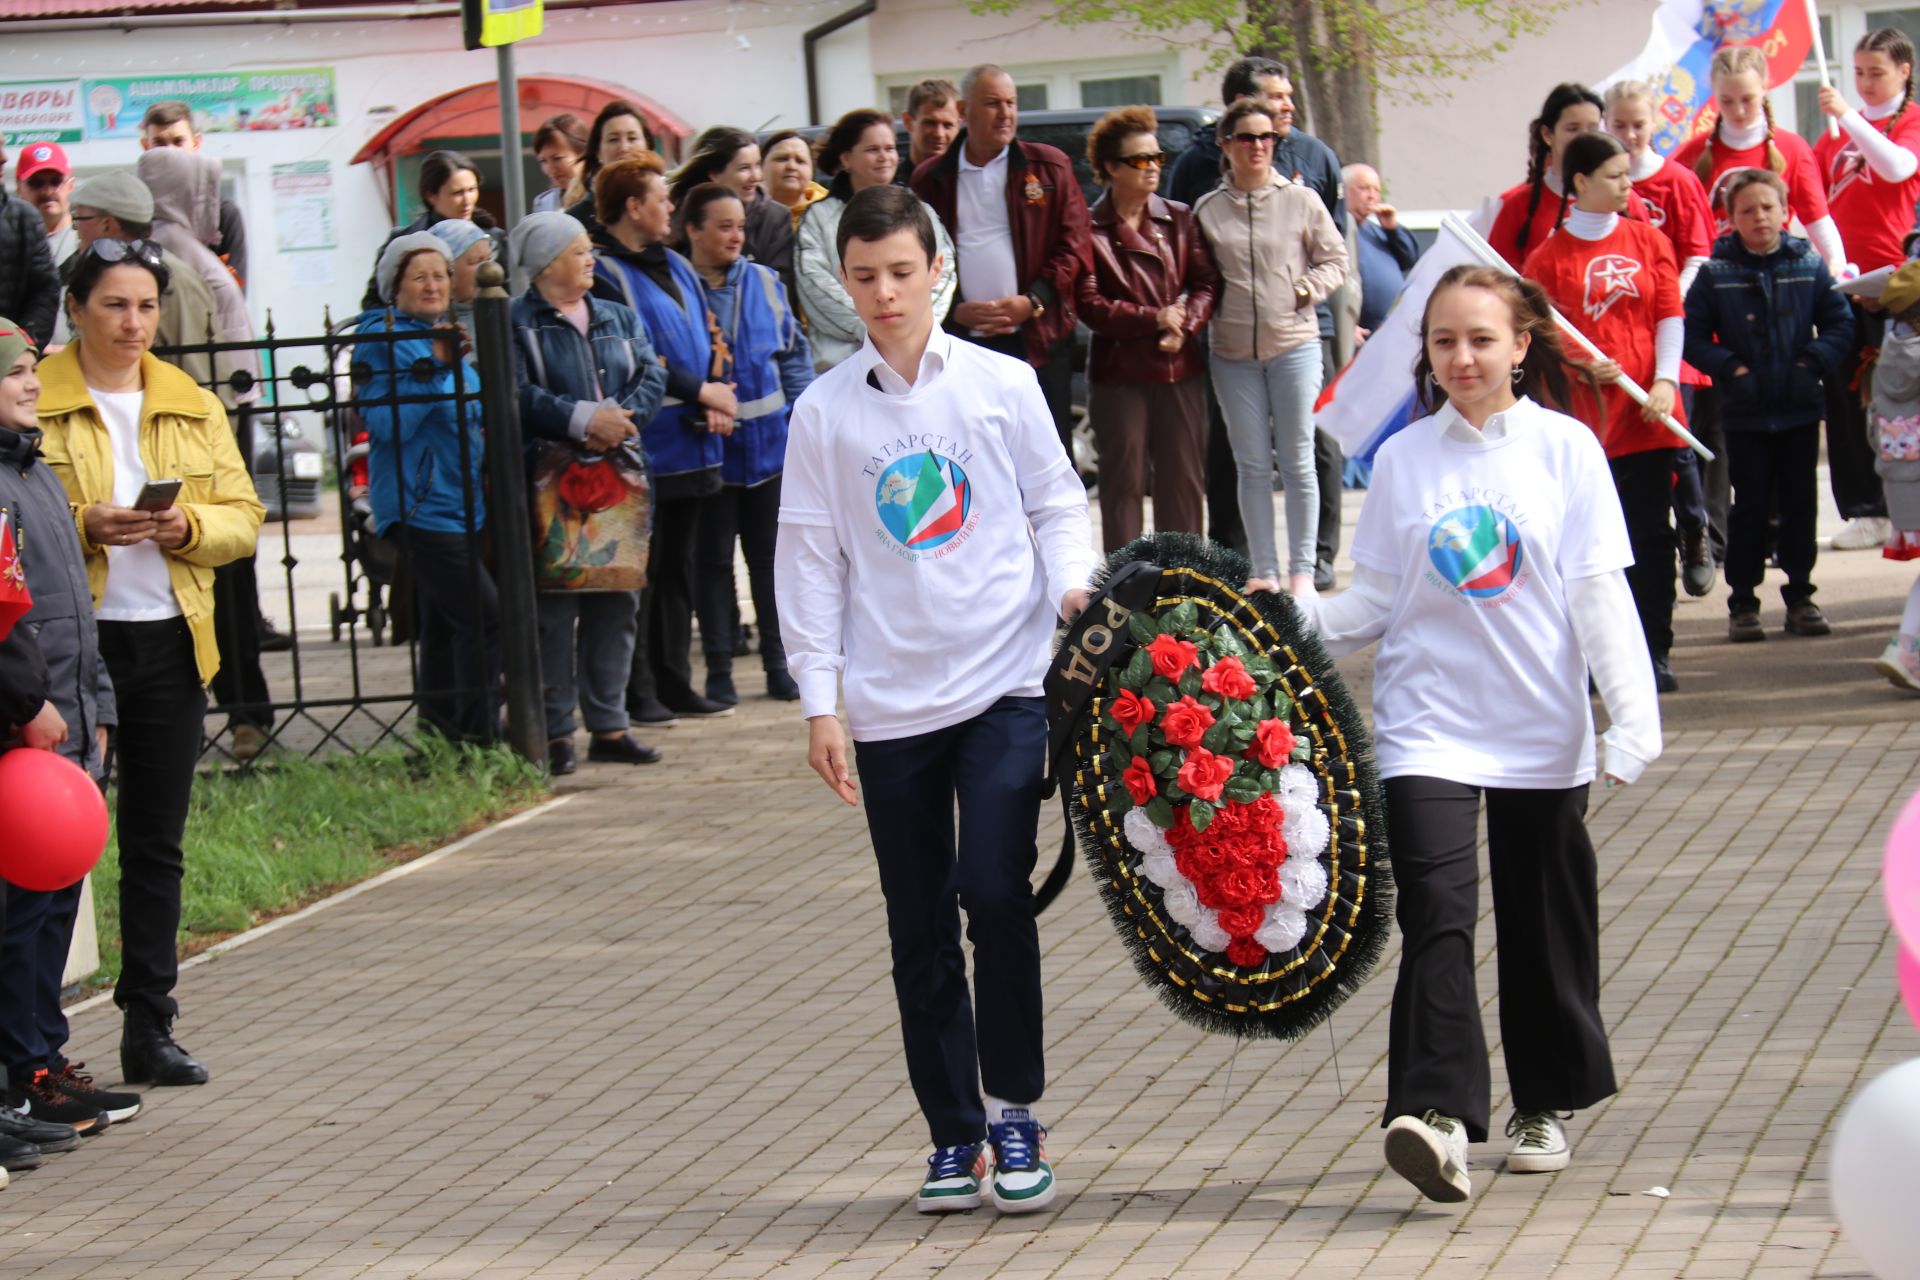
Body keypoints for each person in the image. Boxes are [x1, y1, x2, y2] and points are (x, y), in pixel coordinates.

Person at [1302, 263, 1660, 1204]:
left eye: (1481, 339)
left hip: (1540, 729)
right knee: (1437, 917)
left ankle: (1543, 1101)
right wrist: (1290, 613)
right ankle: (1438, 1117)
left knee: (1546, 921)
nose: (1462, 357)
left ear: (1520, 345)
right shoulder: (1406, 458)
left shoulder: (1567, 449)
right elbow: (1375, 598)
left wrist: (1633, 720)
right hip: (1428, 727)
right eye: (1444, 340)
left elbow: (1596, 594)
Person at [775, 183, 1096, 1216]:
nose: (883, 293)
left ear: (938, 272)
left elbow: (1056, 499)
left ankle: (1014, 1111)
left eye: (901, 272)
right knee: (918, 921)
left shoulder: (1002, 384)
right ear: (842, 281)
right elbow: (810, 562)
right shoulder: (824, 412)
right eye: (863, 275)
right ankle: (953, 1132)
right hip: (889, 704)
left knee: (995, 892)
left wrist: (1072, 586)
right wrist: (820, 699)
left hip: (1004, 682)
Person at [38, 238, 264, 1086]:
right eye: (113, 306)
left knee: (155, 841)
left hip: (169, 637)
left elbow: (243, 513)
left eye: (144, 306)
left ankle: (150, 1022)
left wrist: (189, 528)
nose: (132, 324)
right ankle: (37, 1038)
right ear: (76, 309)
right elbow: (15, 512)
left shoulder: (189, 400)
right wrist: (80, 523)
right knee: (59, 842)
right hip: (73, 646)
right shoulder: (41, 396)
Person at [0, 319, 143, 1144]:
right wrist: (26, 708)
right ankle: (19, 1073)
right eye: (15, 372)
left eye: (32, 369)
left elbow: (71, 613)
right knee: (20, 913)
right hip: (27, 729)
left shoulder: (38, 472)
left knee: (55, 905)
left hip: (66, 721)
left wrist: (96, 705)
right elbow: (6, 619)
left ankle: (41, 1061)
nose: (31, 383)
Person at [1522, 131, 1686, 692]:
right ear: (1581, 182)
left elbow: (1669, 313)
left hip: (1646, 416)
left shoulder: (1648, 240)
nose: (1627, 185)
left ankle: (1655, 651)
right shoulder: (1547, 258)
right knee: (1589, 549)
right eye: (1614, 176)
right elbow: (1538, 332)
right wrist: (1580, 363)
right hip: (1585, 426)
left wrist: (1664, 380)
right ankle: (1594, 659)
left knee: (1650, 540)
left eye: (1628, 174)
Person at [1167, 58, 1341, 568]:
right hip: (1232, 352)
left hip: (1295, 343)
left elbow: (1336, 259)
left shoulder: (1302, 200)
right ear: (1226, 144)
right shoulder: (1207, 208)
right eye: (1246, 137)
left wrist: (1307, 288)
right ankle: (1263, 572)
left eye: (1266, 137)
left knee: (1299, 460)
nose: (1258, 145)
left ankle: (1304, 571)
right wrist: (1184, 310)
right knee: (1249, 467)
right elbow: (1194, 277)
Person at [512, 211, 670, 772]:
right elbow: (516, 392)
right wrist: (582, 419)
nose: (591, 260)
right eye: (580, 251)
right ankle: (557, 732)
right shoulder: (516, 321)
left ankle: (609, 724)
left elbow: (652, 372)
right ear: (548, 262)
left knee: (617, 599)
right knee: (557, 606)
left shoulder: (617, 315)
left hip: (619, 473)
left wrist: (621, 420)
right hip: (552, 480)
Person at [589, 155, 737, 724]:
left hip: (697, 438)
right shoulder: (605, 273)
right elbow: (638, 354)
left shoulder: (675, 263)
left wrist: (718, 390)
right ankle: (638, 689)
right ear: (633, 207)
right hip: (650, 442)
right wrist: (702, 390)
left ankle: (677, 681)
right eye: (661, 198)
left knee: (679, 569)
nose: (671, 208)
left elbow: (712, 331)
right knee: (642, 576)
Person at [137, 147, 275, 759]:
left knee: (221, 578)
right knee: (217, 581)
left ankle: (238, 709)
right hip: (204, 432)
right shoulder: (173, 255)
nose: (211, 202)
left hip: (203, 434)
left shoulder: (183, 255)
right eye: (202, 187)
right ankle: (233, 709)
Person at [1684, 169, 1852, 644]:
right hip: (1747, 413)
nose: (1759, 217)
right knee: (1751, 506)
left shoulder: (1809, 264)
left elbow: (1839, 324)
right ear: (1731, 218)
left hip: (1798, 407)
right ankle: (1743, 602)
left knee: (1800, 503)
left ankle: (1800, 596)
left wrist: (1810, 364)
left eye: (1767, 207)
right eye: (1747, 210)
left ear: (1785, 212)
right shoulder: (1717, 274)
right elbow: (1693, 335)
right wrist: (1732, 369)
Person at [356, 232, 499, 744]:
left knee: (444, 628)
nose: (433, 285)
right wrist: (437, 367)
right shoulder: (383, 336)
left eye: (440, 274)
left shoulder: (444, 331)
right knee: (485, 619)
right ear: (394, 288)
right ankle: (481, 740)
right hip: (420, 506)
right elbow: (389, 424)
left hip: (463, 505)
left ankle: (440, 740)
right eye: (419, 277)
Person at [911, 65, 1091, 457]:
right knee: (974, 460)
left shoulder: (1049, 167)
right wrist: (956, 310)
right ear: (963, 110)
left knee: (1046, 458)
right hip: (965, 343)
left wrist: (1033, 301)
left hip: (1038, 338)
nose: (1005, 113)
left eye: (1011, 103)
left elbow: (1075, 244)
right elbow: (918, 257)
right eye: (992, 103)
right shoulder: (930, 178)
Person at [682, 184, 813, 705]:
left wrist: (803, 424)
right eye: (723, 226)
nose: (736, 235)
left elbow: (794, 358)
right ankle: (719, 669)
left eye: (740, 226)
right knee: (711, 563)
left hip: (768, 451)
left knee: (769, 562)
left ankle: (780, 665)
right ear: (693, 230)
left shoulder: (765, 283)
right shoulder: (677, 286)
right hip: (705, 451)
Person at [1075, 106, 1217, 550]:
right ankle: (1126, 587)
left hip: (1178, 365)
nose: (1153, 167)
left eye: (1157, 158)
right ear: (1111, 168)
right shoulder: (1089, 226)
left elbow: (1207, 283)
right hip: (1119, 373)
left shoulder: (1180, 217)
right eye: (1140, 160)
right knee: (1123, 487)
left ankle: (1186, 587)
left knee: (1183, 485)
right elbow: (1089, 304)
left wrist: (1186, 325)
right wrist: (1154, 317)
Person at [1603, 80, 1719, 597]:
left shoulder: (1676, 180)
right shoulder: (1598, 185)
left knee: (1675, 442)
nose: (1629, 134)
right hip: (1615, 337)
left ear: (1655, 125)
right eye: (1620, 124)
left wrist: (1668, 301)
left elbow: (1699, 251)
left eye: (1638, 124)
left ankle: (1694, 528)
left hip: (1669, 330)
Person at [1815, 27, 1920, 553]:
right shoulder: (1839, 133)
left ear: (1904, 70)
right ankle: (1866, 509)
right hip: (1847, 281)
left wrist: (1850, 119)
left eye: (1876, 72)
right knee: (1846, 396)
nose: (1865, 83)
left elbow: (1899, 166)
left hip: (1900, 285)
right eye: (1858, 72)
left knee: (1899, 398)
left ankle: (1907, 506)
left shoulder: (1909, 122)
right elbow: (1810, 197)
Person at [799, 110, 957, 372]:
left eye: (890, 148)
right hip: (843, 364)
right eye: (873, 149)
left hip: (918, 360)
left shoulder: (920, 211)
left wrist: (911, 328)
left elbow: (945, 270)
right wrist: (878, 327)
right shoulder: (818, 218)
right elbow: (815, 287)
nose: (885, 157)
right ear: (846, 158)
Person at [1487, 83, 1657, 270]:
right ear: (1547, 134)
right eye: (1572, 128)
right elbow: (1498, 280)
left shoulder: (1625, 199)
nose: (1584, 138)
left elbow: (1650, 267)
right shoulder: (1518, 205)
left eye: (1592, 128)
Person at [360, 151, 495, 311]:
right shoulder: (404, 242)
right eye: (457, 193)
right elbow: (374, 302)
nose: (467, 201)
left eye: (472, 190)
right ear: (431, 196)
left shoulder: (493, 237)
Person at [1870, 261, 1920, 691]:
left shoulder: (1887, 360)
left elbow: (1875, 428)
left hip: (1903, 487)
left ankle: (1905, 648)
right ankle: (1905, 651)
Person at [138, 101, 247, 289]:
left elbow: (234, 290)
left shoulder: (224, 214)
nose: (170, 151)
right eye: (159, 143)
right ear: (146, 146)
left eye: (178, 141)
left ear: (196, 143)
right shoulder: (134, 213)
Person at [668, 127, 793, 291]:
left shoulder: (775, 217)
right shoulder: (677, 217)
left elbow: (781, 288)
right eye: (744, 168)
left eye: (757, 165)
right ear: (714, 175)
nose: (756, 176)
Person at [1341, 162, 1418, 335]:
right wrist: (1345, 326)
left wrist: (1393, 229)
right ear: (1344, 190)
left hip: (1392, 331)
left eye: (1376, 190)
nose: (1371, 196)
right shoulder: (1335, 230)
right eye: (1364, 188)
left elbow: (1409, 258)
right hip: (1358, 335)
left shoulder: (1379, 231)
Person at [0, 133, 60, 348]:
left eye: (2, 146)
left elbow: (44, 291)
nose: (3, 158)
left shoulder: (22, 217)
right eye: (36, 182)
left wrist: (20, 351)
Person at [567, 101, 654, 239]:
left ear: (647, 144)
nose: (624, 147)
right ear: (598, 152)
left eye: (632, 138)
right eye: (613, 140)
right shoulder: (575, 221)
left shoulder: (666, 207)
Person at [426, 217, 494, 332]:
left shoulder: (502, 314)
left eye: (489, 259)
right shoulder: (427, 325)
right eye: (477, 261)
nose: (489, 269)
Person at [763, 130, 827, 228]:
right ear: (760, 166)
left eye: (800, 161)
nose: (792, 166)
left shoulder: (834, 213)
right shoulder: (743, 213)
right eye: (782, 159)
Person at [532, 113, 588, 215]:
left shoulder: (603, 196)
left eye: (557, 158)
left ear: (584, 154)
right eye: (543, 161)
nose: (550, 168)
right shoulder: (543, 204)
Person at [902, 79, 962, 172]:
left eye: (947, 125)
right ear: (908, 122)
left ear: (958, 126)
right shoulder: (887, 181)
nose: (939, 134)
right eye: (930, 123)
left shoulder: (968, 180)